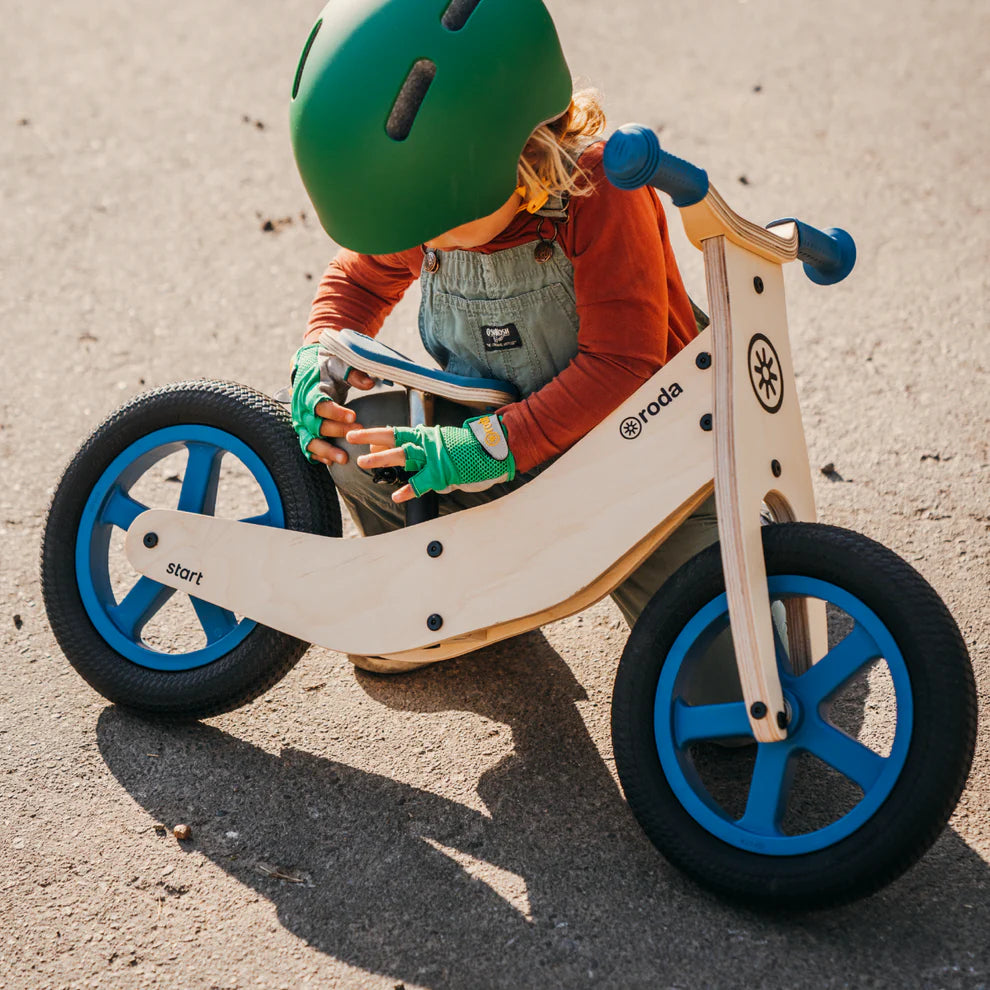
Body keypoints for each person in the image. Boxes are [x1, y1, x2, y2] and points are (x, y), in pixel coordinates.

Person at [287, 0, 720, 656]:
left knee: (726, 683)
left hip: (641, 466)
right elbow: (355, 283)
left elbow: (622, 364)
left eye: (438, 218)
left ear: (508, 144)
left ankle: (742, 543)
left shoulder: (599, 192)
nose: (422, 239)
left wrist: (483, 449)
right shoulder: (435, 202)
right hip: (495, 455)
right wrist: (318, 355)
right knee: (347, 426)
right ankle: (450, 605)